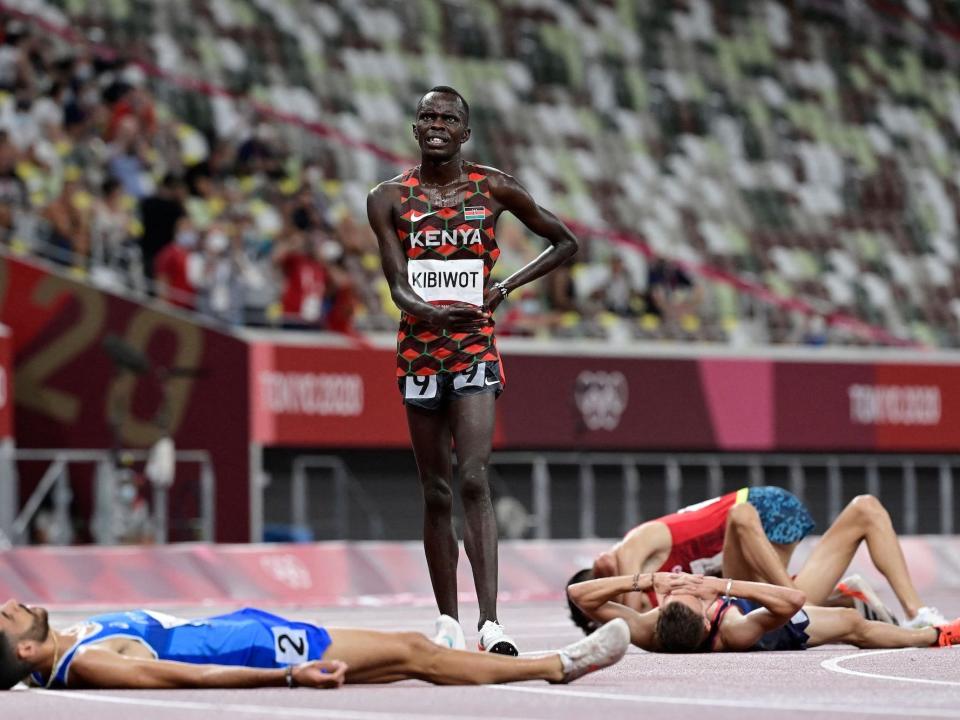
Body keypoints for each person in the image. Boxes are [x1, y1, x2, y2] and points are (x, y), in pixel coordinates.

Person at [366, 86, 579, 654]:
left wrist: (505, 285)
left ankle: (491, 622)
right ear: (415, 130)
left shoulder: (494, 187)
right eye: (427, 117)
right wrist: (422, 308)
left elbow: (565, 242)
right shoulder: (386, 198)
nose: (436, 125)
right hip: (418, 350)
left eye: (448, 118)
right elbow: (396, 286)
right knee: (435, 490)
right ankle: (448, 621)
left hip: (474, 346)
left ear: (465, 132)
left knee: (474, 478)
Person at [0, 599, 629, 690]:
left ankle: (451, 657)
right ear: (25, 651)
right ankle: (559, 665)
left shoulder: (54, 650)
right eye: (6, 620)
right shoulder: (88, 661)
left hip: (246, 630)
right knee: (413, 652)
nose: (10, 606)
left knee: (405, 658)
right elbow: (187, 680)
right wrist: (288, 678)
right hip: (260, 651)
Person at [566, 488, 943, 632]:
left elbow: (623, 608)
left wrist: (603, 618)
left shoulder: (630, 550)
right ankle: (853, 598)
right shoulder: (654, 577)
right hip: (749, 534)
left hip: (754, 510)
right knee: (866, 508)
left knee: (742, 520)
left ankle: (917, 612)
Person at [566, 571, 960, 654]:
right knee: (852, 625)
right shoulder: (734, 630)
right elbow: (793, 601)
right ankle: (931, 636)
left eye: (676, 596)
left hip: (730, 601)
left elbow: (578, 593)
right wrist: (721, 587)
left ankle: (846, 592)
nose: (684, 587)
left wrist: (647, 579)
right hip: (762, 619)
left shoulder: (647, 628)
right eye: (689, 595)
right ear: (707, 618)